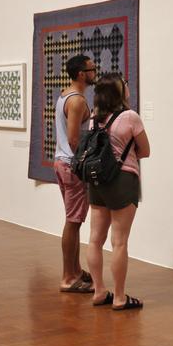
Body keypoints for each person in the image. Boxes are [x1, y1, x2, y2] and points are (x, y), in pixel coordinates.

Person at [86, 73, 150, 310]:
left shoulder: (94, 118)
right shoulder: (130, 117)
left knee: (95, 239)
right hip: (123, 179)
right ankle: (120, 297)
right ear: (119, 91)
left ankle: (99, 290)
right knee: (119, 242)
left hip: (97, 180)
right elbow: (145, 151)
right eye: (124, 83)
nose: (128, 85)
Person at [53, 54, 97, 292]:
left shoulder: (64, 95)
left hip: (62, 163)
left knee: (74, 221)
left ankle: (75, 271)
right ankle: (67, 277)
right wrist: (88, 158)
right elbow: (72, 139)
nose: (94, 72)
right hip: (71, 165)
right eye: (92, 68)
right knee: (73, 221)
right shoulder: (77, 100)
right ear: (81, 73)